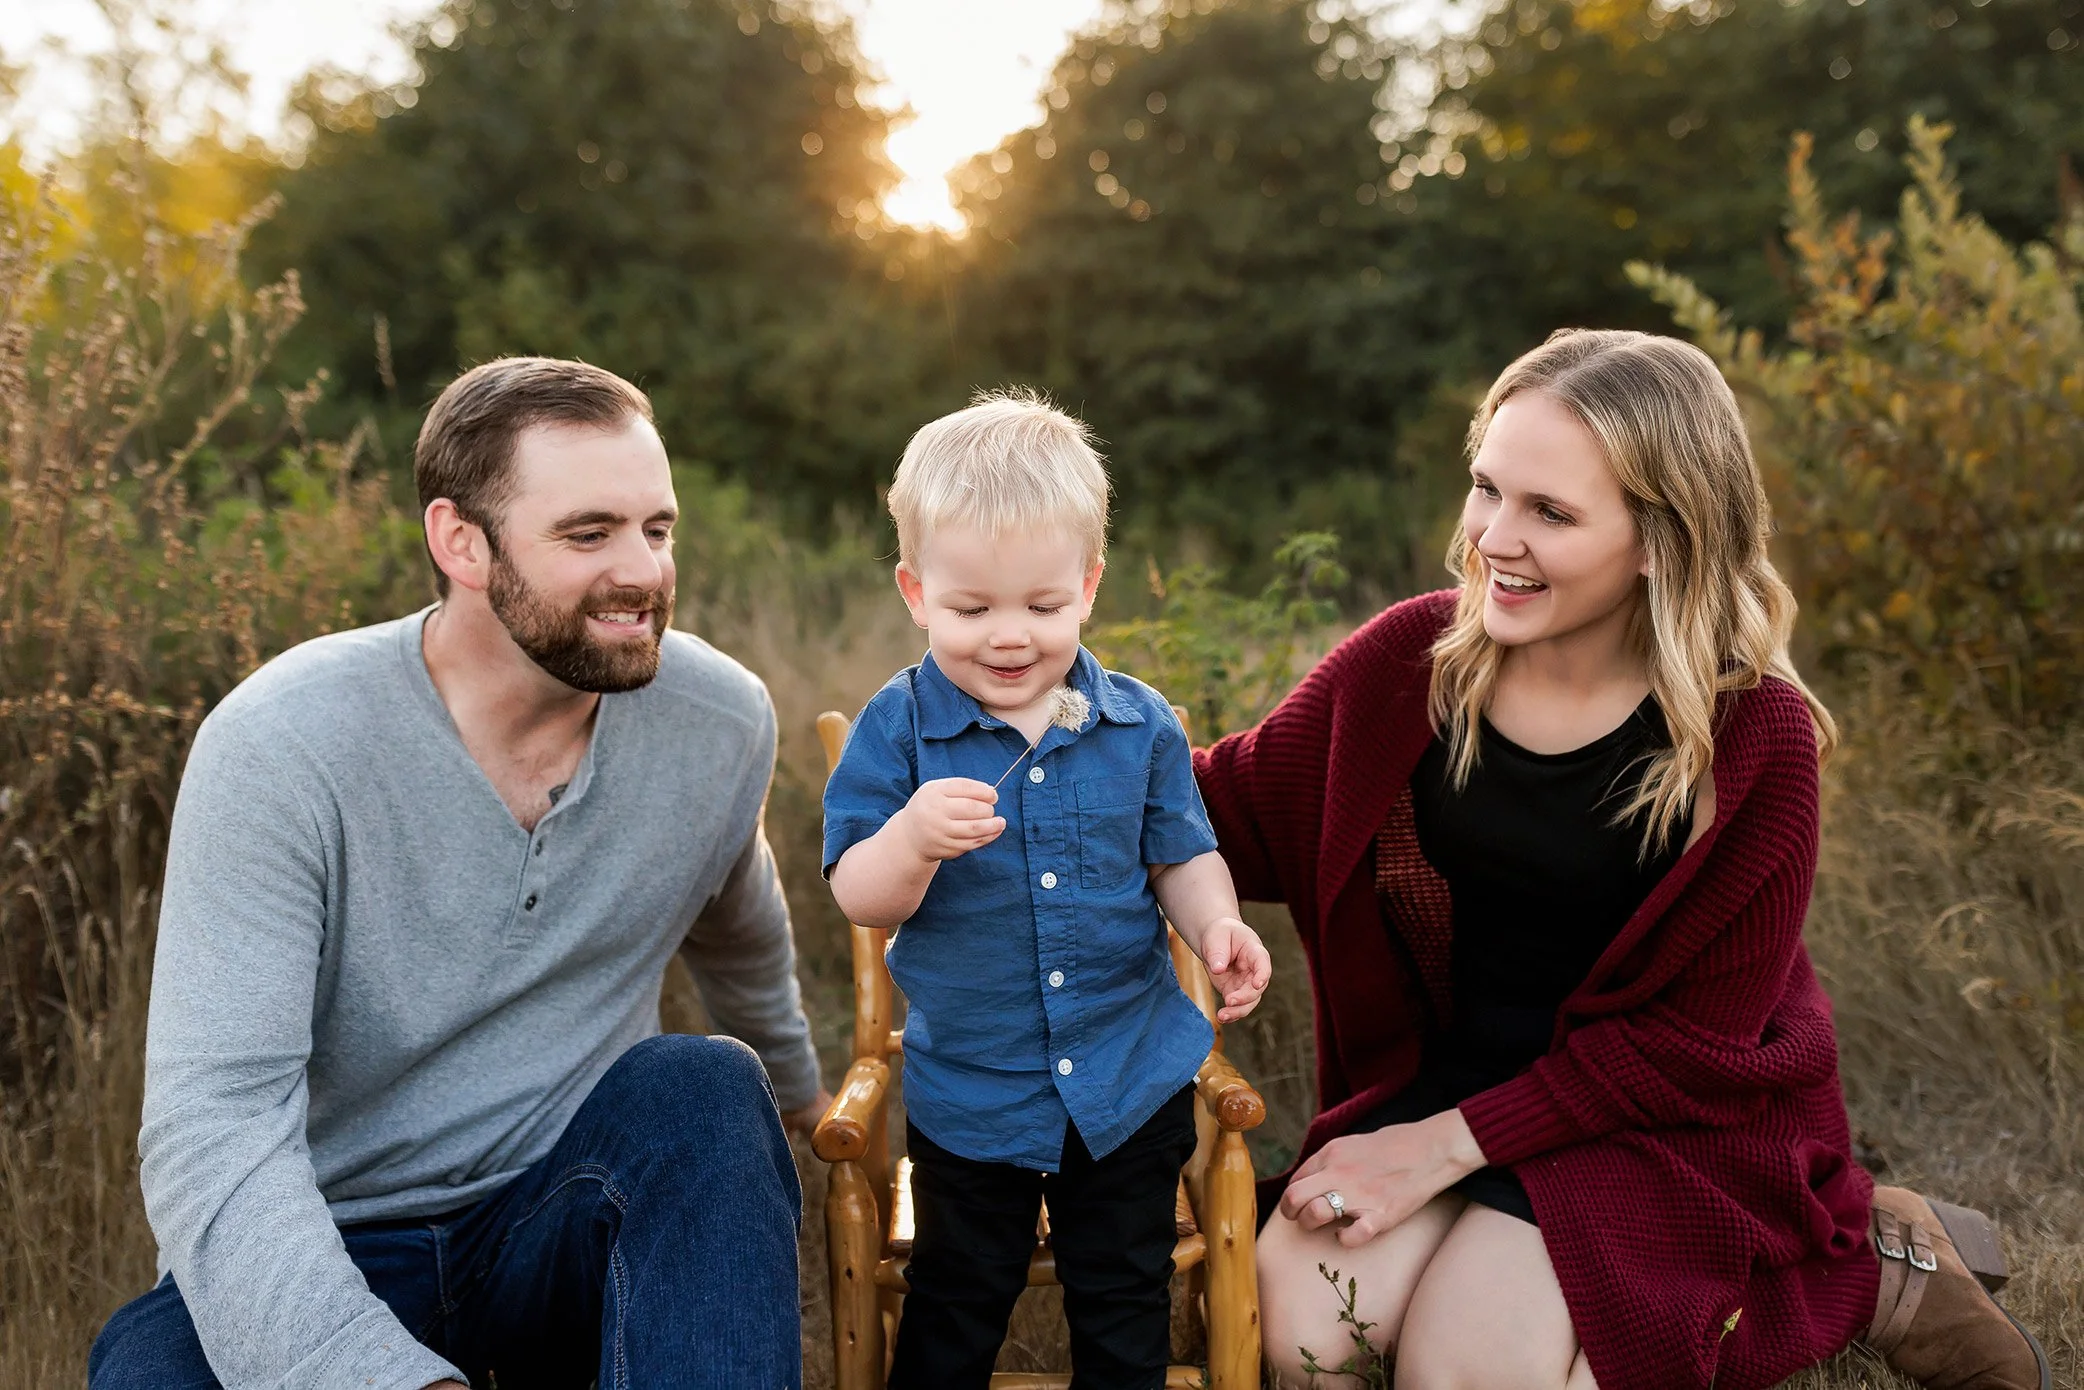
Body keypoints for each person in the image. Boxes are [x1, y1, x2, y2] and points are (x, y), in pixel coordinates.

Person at [1193, 330, 2049, 1390]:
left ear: (1658, 537)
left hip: (1659, 1117)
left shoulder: (1749, 740)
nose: (1492, 540)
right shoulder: (1406, 669)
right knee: (1306, 1328)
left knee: (1465, 1368)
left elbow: (1689, 1048)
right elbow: (1215, 809)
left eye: (1548, 512)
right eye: (1485, 488)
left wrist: (1442, 1151)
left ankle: (1859, 1260)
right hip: (1441, 1085)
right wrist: (1006, 735)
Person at [89, 357, 834, 1390]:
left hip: (560, 1221)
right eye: (588, 533)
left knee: (703, 1085)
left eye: (655, 529)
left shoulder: (716, 721)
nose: (643, 572)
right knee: (149, 1371)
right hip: (338, 1239)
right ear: (460, 543)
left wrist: (809, 1101)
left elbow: (737, 923)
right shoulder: (281, 747)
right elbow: (211, 1127)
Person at [821, 391, 1274, 1390]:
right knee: (957, 1300)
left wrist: (1216, 922)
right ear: (914, 590)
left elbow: (1179, 851)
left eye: (1043, 605)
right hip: (973, 1095)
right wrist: (910, 839)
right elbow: (862, 894)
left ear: (1089, 585)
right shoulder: (896, 732)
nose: (1010, 637)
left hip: (1126, 1078)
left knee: (1121, 1299)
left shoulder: (1133, 723)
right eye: (971, 609)